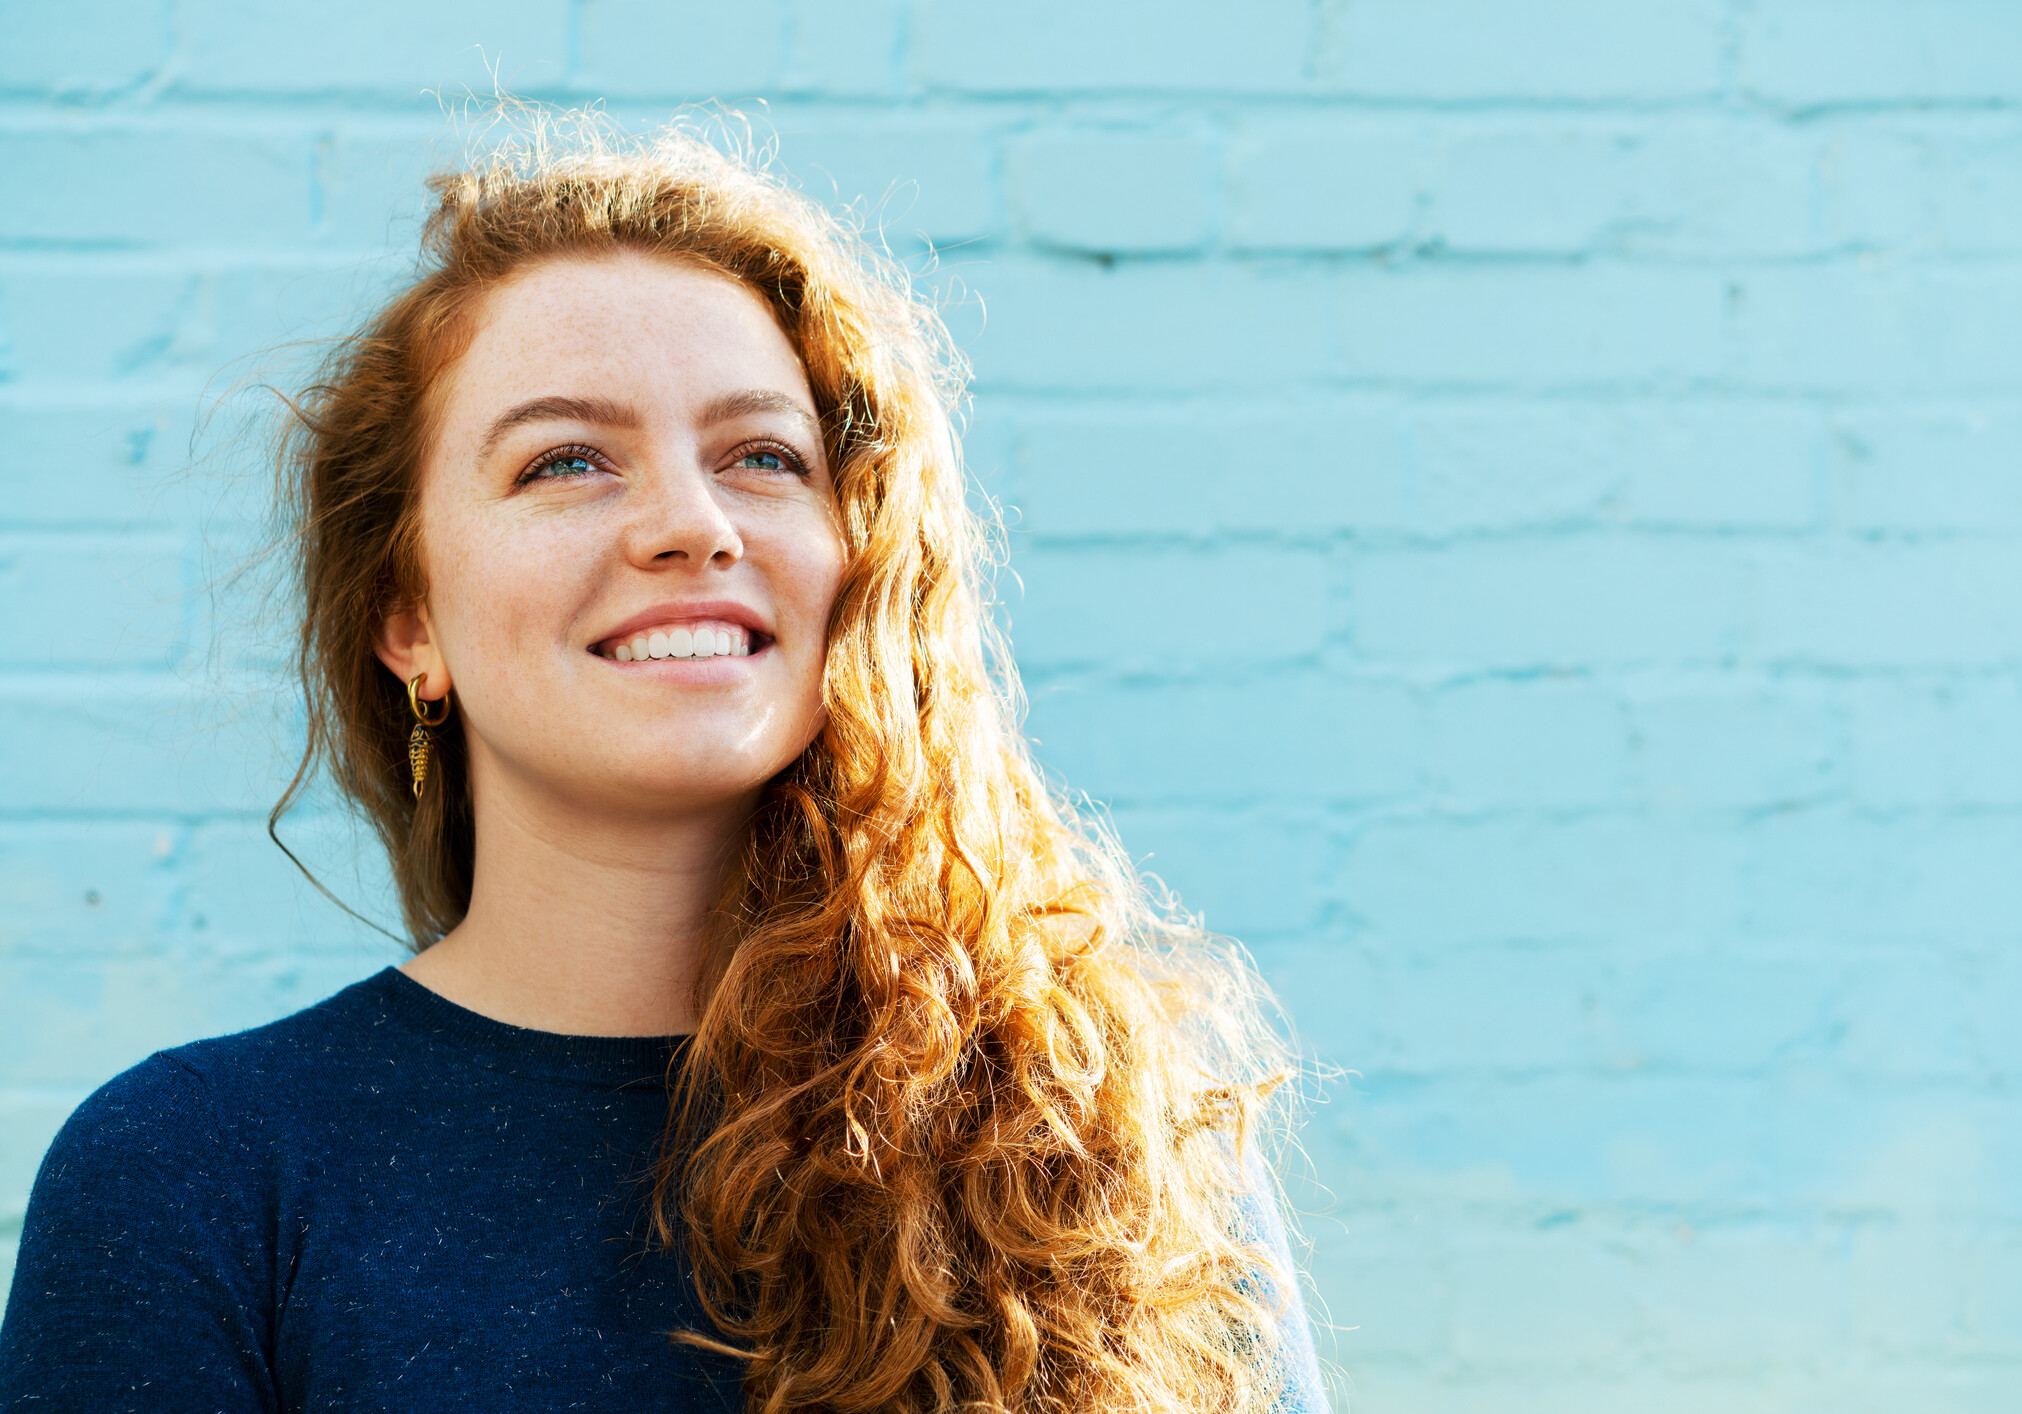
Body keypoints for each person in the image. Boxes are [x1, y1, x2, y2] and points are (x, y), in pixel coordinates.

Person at [0, 116, 1327, 1413]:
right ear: (409, 623)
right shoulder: (190, 1177)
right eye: (565, 460)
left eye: (762, 456)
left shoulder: (1096, 1134)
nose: (691, 523)